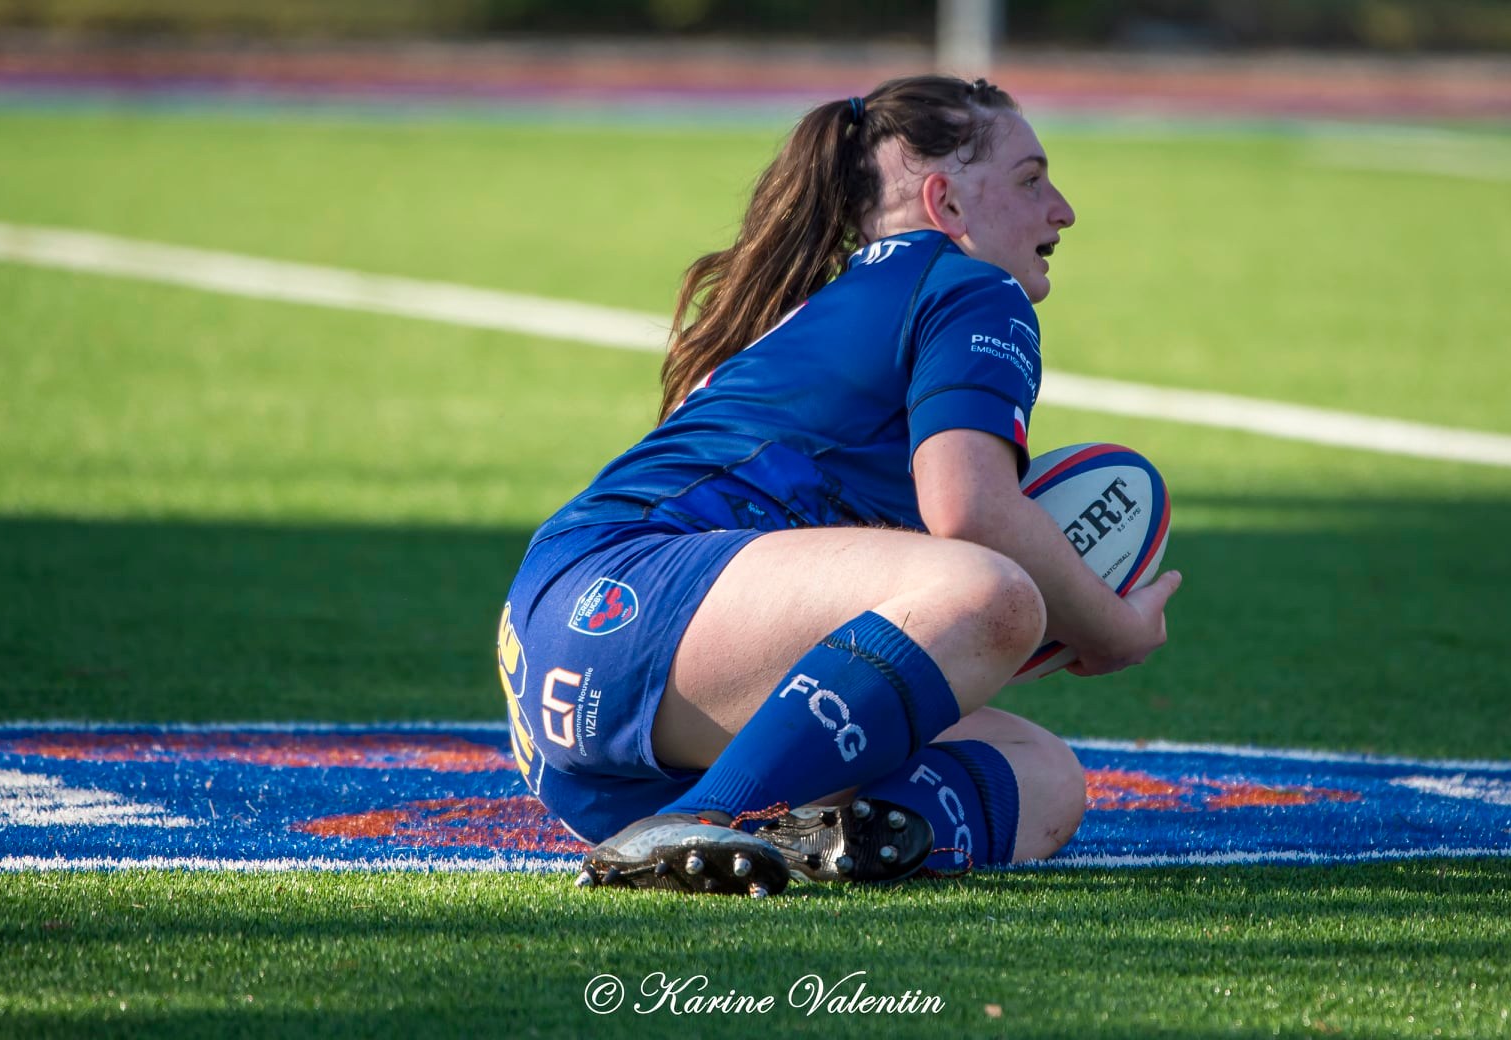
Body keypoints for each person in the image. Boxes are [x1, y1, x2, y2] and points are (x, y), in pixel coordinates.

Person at [496, 74, 1181, 897]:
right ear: (947, 204)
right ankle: (709, 818)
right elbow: (968, 507)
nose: (1060, 209)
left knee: (1041, 774)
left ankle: (797, 834)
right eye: (1030, 179)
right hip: (631, 605)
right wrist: (1107, 629)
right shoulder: (968, 284)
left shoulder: (827, 305)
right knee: (989, 590)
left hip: (581, 699)